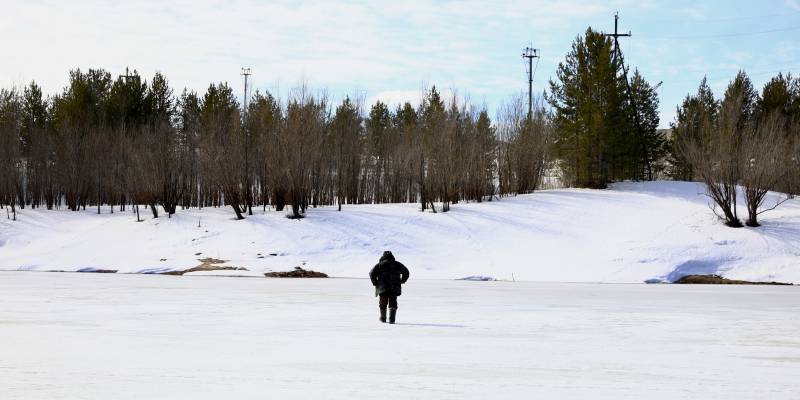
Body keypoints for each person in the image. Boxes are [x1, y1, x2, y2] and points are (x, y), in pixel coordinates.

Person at [369, 251, 410, 324]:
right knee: (393, 302)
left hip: (382, 287)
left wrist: (375, 282)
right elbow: (406, 272)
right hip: (394, 287)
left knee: (383, 302)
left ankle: (383, 318)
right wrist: (402, 280)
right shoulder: (397, 264)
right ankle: (392, 320)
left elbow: (371, 273)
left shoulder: (380, 265)